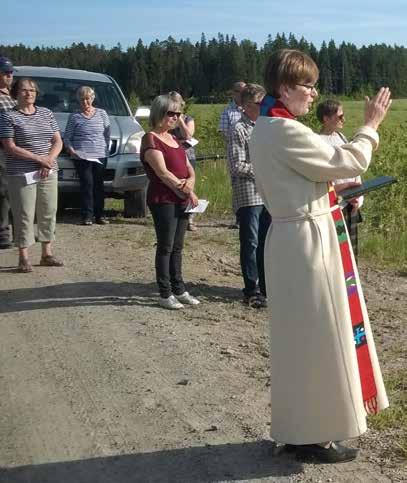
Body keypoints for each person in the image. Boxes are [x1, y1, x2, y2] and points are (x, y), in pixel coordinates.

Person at [250, 49, 391, 463]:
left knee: (300, 341)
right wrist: (370, 125)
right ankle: (314, 435)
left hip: (295, 233)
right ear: (284, 88)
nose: (314, 94)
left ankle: (302, 429)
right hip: (307, 243)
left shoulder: (269, 126)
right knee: (320, 337)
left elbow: (310, 179)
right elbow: (347, 159)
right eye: (307, 85)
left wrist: (330, 193)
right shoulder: (284, 130)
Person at [140, 94, 200, 310]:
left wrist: (191, 182)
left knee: (178, 246)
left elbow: (188, 165)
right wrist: (186, 190)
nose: (175, 118)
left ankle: (179, 288)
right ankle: (165, 293)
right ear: (159, 113)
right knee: (165, 246)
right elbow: (163, 173)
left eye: (178, 114)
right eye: (171, 114)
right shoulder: (151, 138)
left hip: (181, 197)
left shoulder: (174, 139)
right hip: (163, 198)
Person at [0, 78, 64, 272]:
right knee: (24, 214)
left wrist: (49, 160)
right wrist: (39, 159)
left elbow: (57, 141)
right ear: (15, 93)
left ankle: (47, 253)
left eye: (32, 90)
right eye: (24, 90)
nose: (29, 94)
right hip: (21, 173)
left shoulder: (46, 113)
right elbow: (9, 147)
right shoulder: (7, 116)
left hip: (47, 171)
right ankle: (24, 257)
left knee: (48, 211)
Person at [227, 83, 271, 308]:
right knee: (251, 242)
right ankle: (251, 289)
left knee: (267, 242)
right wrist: (264, 170)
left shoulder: (266, 127)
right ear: (245, 106)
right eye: (259, 103)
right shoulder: (238, 129)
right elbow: (237, 166)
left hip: (268, 193)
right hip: (248, 194)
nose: (264, 106)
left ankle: (267, 287)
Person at [317, 99, 363, 260]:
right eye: (340, 116)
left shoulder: (342, 137)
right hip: (336, 205)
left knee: (352, 251)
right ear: (326, 118)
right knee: (339, 252)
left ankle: (352, 285)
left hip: (352, 202)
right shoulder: (318, 142)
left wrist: (358, 196)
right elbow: (323, 177)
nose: (344, 120)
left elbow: (354, 169)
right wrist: (343, 196)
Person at [64, 86, 110, 225]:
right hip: (81, 156)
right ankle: (87, 216)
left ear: (93, 98)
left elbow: (107, 135)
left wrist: (105, 148)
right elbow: (67, 137)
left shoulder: (102, 114)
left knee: (99, 185)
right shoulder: (74, 116)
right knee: (87, 184)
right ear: (78, 100)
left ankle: (100, 215)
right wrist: (71, 150)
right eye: (82, 99)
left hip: (100, 154)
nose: (85, 102)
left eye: (87, 99)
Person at [168, 91, 198, 231]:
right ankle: (174, 215)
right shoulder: (167, 118)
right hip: (171, 155)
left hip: (187, 155)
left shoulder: (188, 119)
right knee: (174, 184)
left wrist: (180, 120)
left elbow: (188, 135)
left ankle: (189, 218)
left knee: (189, 186)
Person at [0, 56, 16, 249]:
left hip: (17, 150)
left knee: (15, 192)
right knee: (2, 191)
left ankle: (22, 231)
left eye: (11, 72)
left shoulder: (12, 96)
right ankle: (3, 234)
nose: (9, 76)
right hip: (2, 149)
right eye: (5, 72)